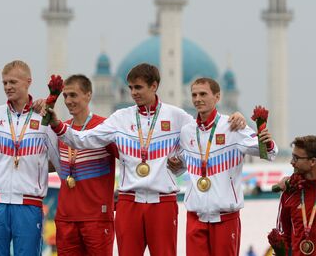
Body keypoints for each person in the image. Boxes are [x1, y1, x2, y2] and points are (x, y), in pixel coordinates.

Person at [49, 63, 246, 256]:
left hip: (163, 202)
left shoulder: (176, 116)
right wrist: (57, 125)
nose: (133, 92)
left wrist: (234, 118)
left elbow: (203, 136)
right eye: (131, 88)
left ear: (154, 86)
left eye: (139, 87)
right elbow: (84, 140)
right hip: (128, 202)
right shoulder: (120, 117)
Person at [171, 77, 277, 256]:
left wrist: (266, 142)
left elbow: (268, 154)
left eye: (203, 94)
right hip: (195, 216)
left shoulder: (233, 126)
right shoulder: (187, 131)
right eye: (194, 95)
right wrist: (174, 164)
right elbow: (179, 166)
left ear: (217, 97)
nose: (198, 99)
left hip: (225, 217)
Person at [0, 60, 61, 256]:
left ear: (28, 82)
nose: (7, 87)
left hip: (29, 203)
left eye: (12, 82)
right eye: (4, 83)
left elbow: (58, 161)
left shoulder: (44, 117)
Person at [54, 74, 117, 255]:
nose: (68, 100)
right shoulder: (61, 129)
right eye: (65, 96)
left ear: (88, 95)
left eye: (73, 95)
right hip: (66, 218)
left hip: (96, 217)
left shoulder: (105, 127)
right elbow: (50, 163)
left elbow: (128, 159)